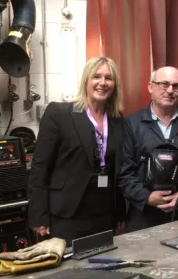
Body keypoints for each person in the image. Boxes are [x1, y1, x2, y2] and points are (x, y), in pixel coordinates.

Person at [28, 56, 127, 245]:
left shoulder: (117, 119)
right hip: (67, 213)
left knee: (101, 266)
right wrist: (38, 215)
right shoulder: (59, 113)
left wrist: (119, 212)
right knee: (67, 271)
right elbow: (40, 167)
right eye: (96, 76)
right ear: (86, 81)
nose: (102, 83)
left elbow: (116, 169)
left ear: (115, 85)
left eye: (109, 78)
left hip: (104, 213)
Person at [118, 66, 178, 232]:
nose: (170, 90)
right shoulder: (132, 125)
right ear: (150, 86)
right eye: (164, 84)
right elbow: (124, 172)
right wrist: (146, 197)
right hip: (143, 217)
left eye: (176, 86)